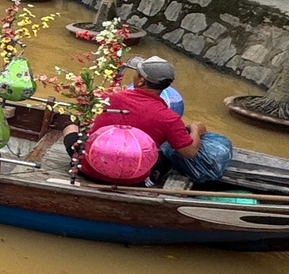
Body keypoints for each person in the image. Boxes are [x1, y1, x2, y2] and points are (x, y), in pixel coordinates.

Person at [82, 55, 231, 184]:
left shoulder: (110, 97)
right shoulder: (169, 118)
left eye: (136, 73)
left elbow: (87, 110)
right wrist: (196, 129)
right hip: (134, 180)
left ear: (140, 81)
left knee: (72, 129)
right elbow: (189, 152)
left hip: (88, 168)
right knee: (165, 154)